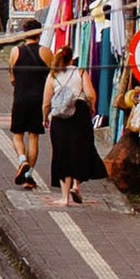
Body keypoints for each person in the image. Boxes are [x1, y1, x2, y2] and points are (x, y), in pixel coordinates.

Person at [45, 50, 103, 209]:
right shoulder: (81, 72)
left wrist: (45, 117)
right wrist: (91, 107)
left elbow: (46, 101)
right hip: (80, 113)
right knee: (80, 150)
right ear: (72, 58)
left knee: (62, 153)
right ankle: (76, 185)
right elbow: (90, 94)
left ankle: (64, 198)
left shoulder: (53, 75)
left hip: (60, 117)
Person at [6, 28, 49, 190]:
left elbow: (12, 78)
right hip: (38, 99)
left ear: (24, 34)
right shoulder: (45, 52)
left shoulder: (15, 51)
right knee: (33, 137)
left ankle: (22, 160)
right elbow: (52, 76)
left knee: (17, 135)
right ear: (39, 34)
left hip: (20, 98)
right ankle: (28, 176)